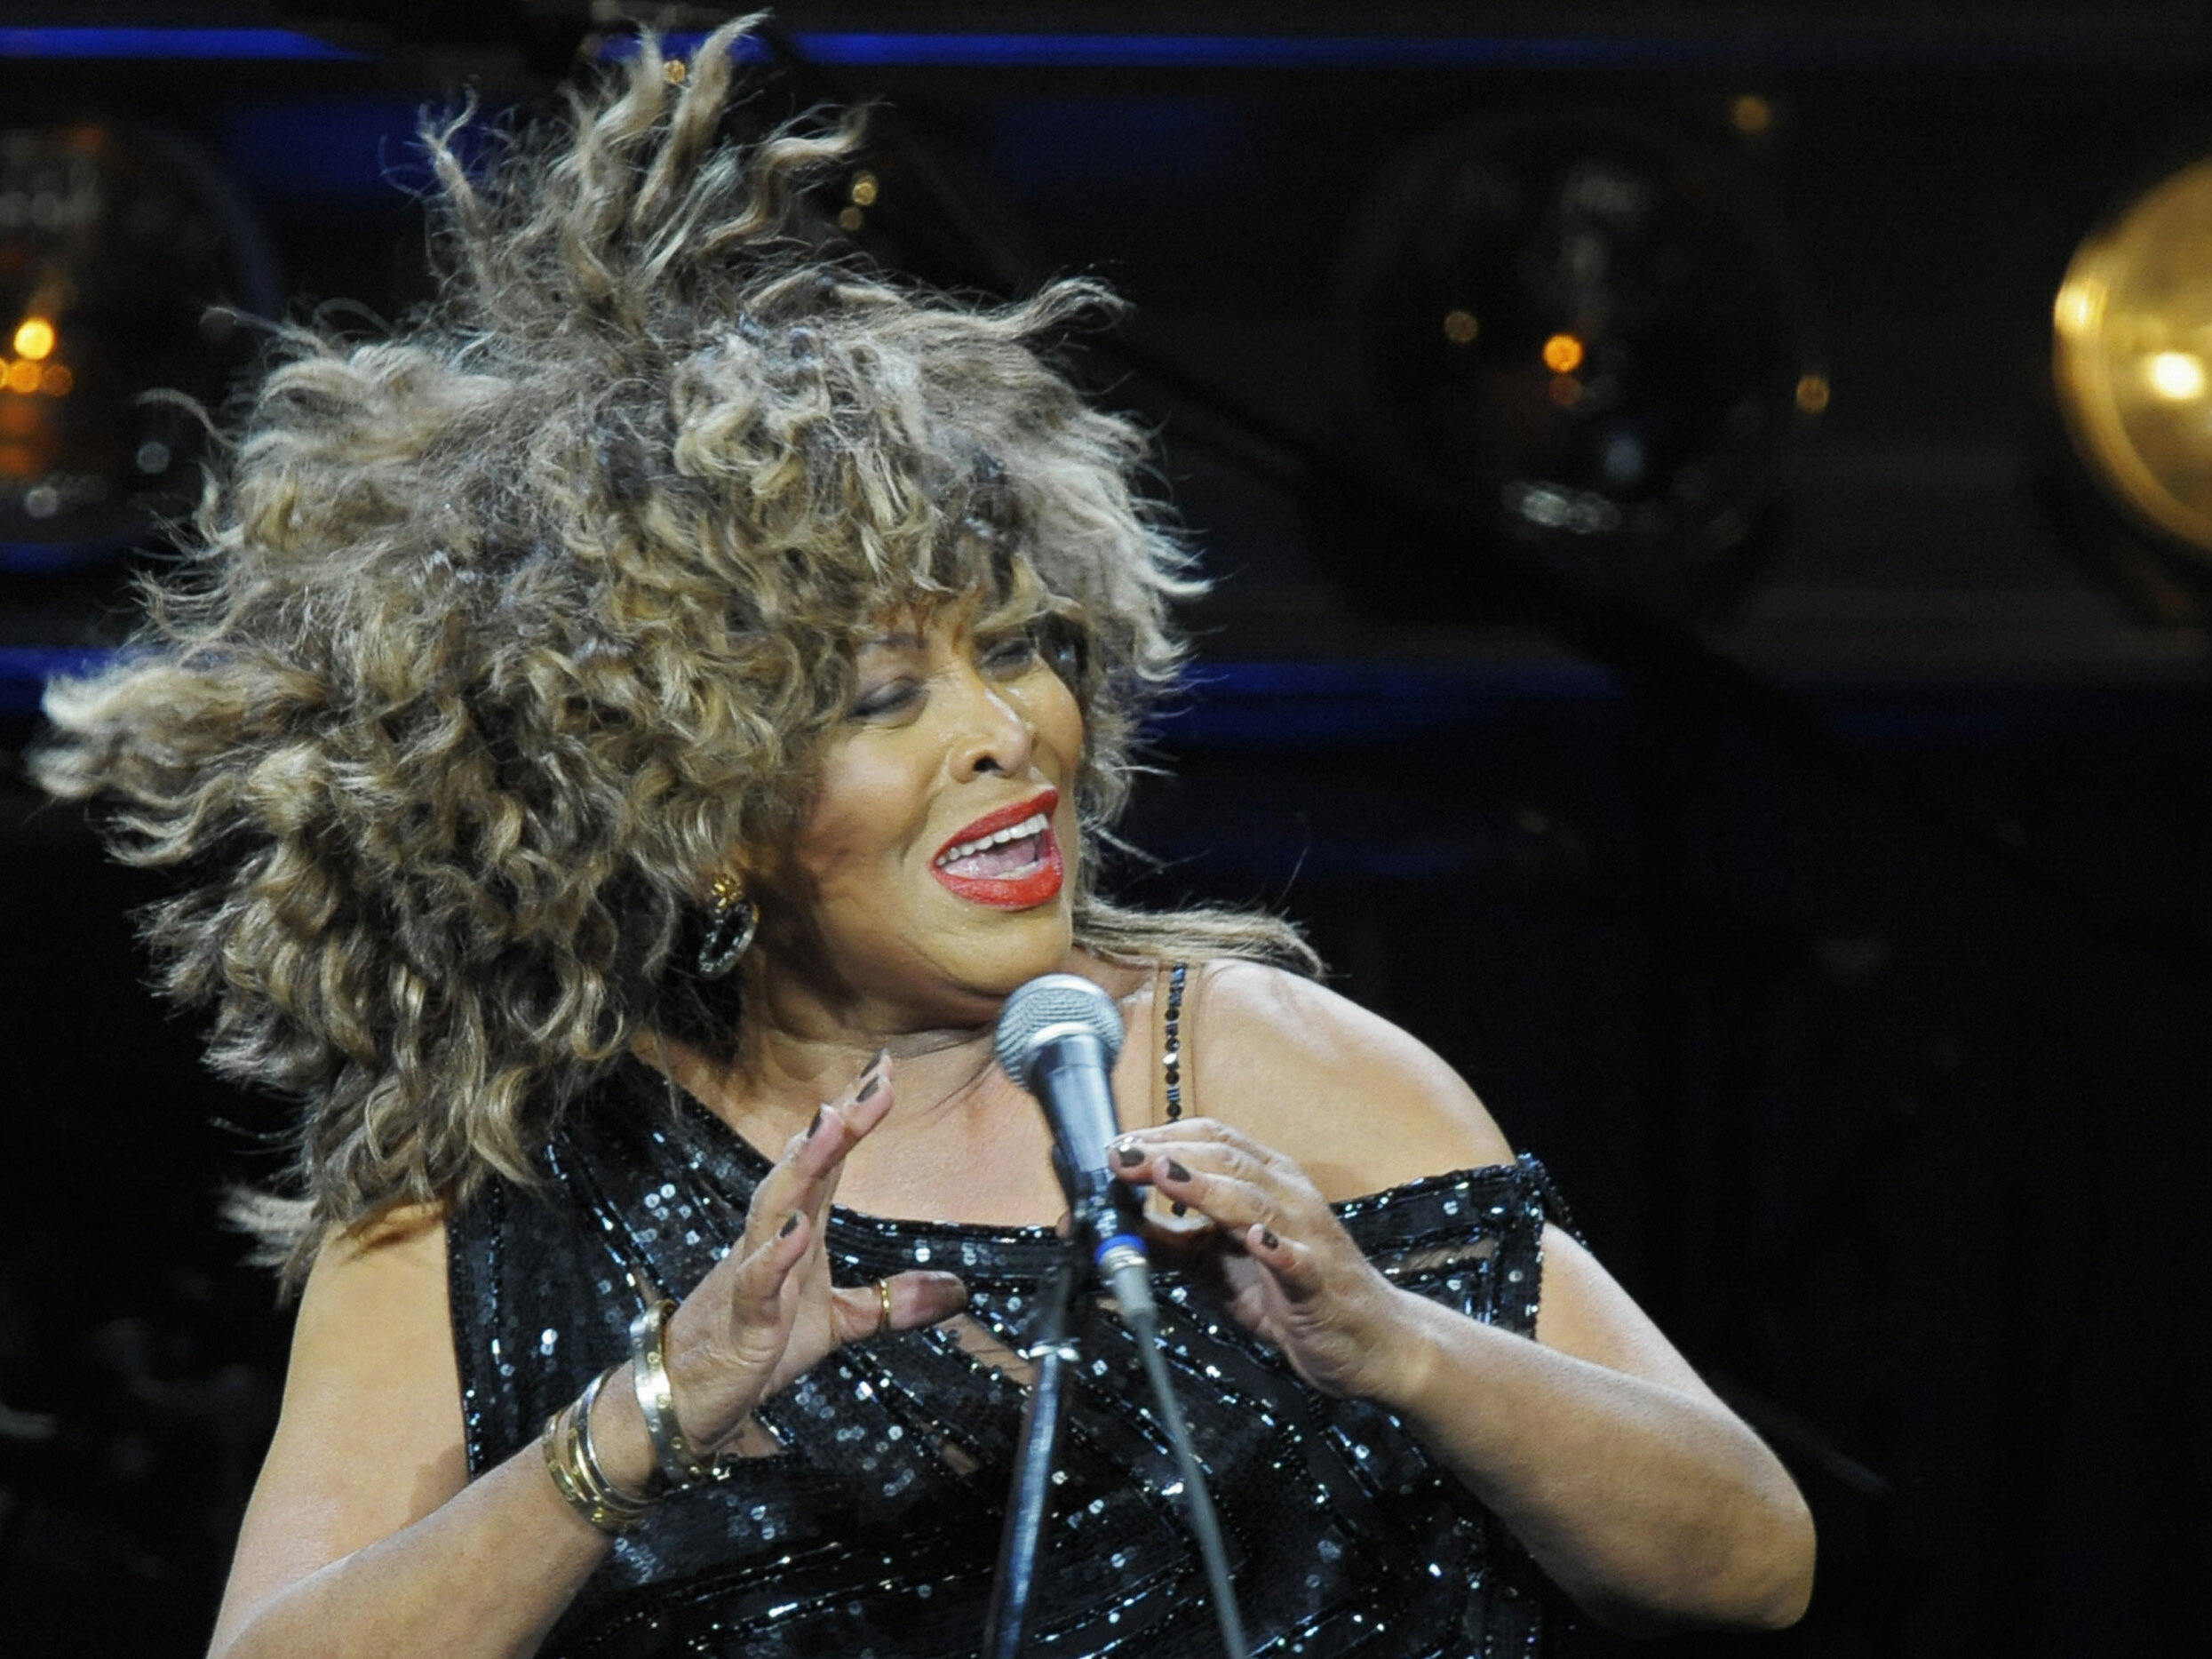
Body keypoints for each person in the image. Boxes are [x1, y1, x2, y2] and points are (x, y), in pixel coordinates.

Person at [36, 24, 1814, 1657]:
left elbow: (1751, 1558)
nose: (1005, 728)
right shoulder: (495, 1185)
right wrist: (652, 1411)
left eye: (1024, 646)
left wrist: (1402, 1343)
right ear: (695, 808)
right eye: (885, 696)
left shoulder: (1263, 1068)